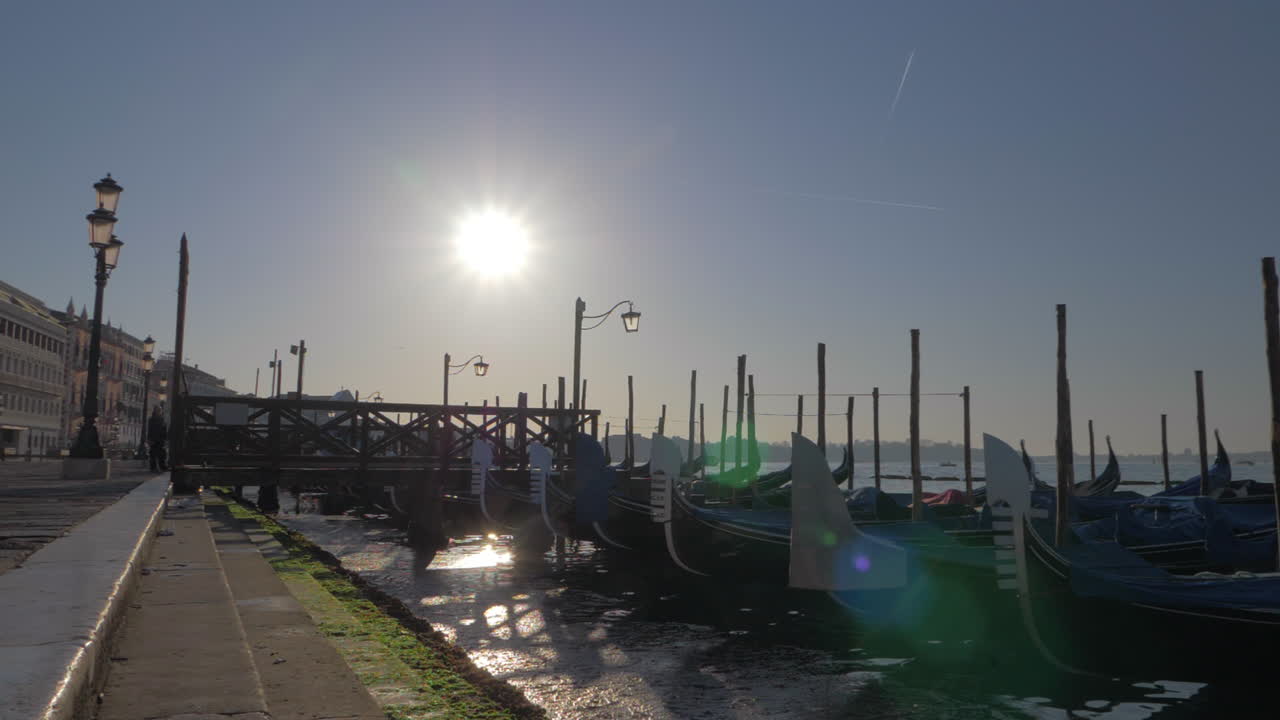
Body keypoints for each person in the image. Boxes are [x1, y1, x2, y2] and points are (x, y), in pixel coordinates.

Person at [147, 407, 168, 472]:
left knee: (160, 454)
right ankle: (155, 467)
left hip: (158, 439)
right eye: (158, 411)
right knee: (155, 454)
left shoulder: (157, 419)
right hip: (156, 439)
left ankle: (159, 466)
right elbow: (150, 430)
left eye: (159, 411)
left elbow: (164, 429)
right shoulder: (157, 419)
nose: (159, 412)